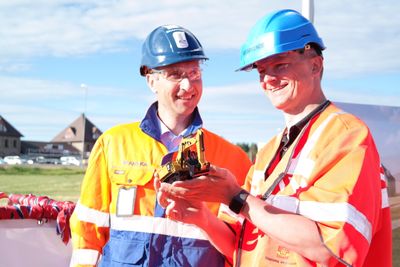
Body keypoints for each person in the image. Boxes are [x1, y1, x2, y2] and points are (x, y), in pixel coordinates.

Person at [155, 9, 392, 267]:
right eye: (261, 70)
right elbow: (239, 244)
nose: (268, 79)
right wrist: (201, 218)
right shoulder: (269, 152)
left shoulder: (347, 137)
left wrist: (237, 197)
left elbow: (332, 248)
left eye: (281, 65)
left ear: (315, 64)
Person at [69, 25, 252, 267]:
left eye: (195, 72)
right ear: (151, 80)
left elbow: (241, 249)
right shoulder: (113, 143)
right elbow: (88, 232)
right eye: (175, 74)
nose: (188, 85)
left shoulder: (233, 159)